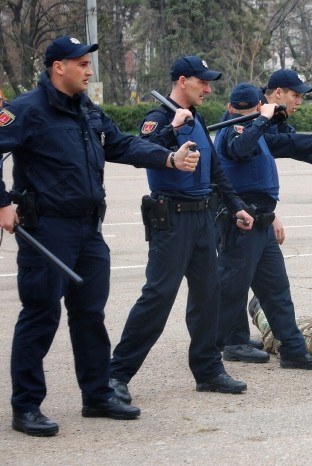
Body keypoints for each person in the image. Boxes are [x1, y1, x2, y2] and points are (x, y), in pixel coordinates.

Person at [0, 35, 199, 437]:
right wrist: (2, 202)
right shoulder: (26, 110)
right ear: (59, 67)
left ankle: (96, 395)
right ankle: (26, 407)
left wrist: (168, 158)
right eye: (82, 65)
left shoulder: (86, 110)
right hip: (48, 228)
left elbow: (122, 144)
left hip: (89, 228)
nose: (89, 72)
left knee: (90, 314)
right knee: (40, 315)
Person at [109, 56, 255, 404]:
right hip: (171, 219)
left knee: (208, 295)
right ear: (182, 80)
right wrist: (170, 129)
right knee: (157, 297)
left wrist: (237, 206)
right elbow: (140, 151)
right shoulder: (158, 117)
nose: (208, 89)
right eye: (202, 82)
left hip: (203, 217)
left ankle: (208, 370)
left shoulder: (199, 119)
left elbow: (215, 170)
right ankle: (117, 374)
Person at [214, 81, 312, 368]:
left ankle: (292, 350)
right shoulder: (236, 129)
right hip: (240, 223)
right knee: (233, 287)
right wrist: (263, 119)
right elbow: (240, 150)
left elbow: (290, 143)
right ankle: (233, 342)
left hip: (262, 221)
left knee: (276, 288)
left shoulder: (257, 128)